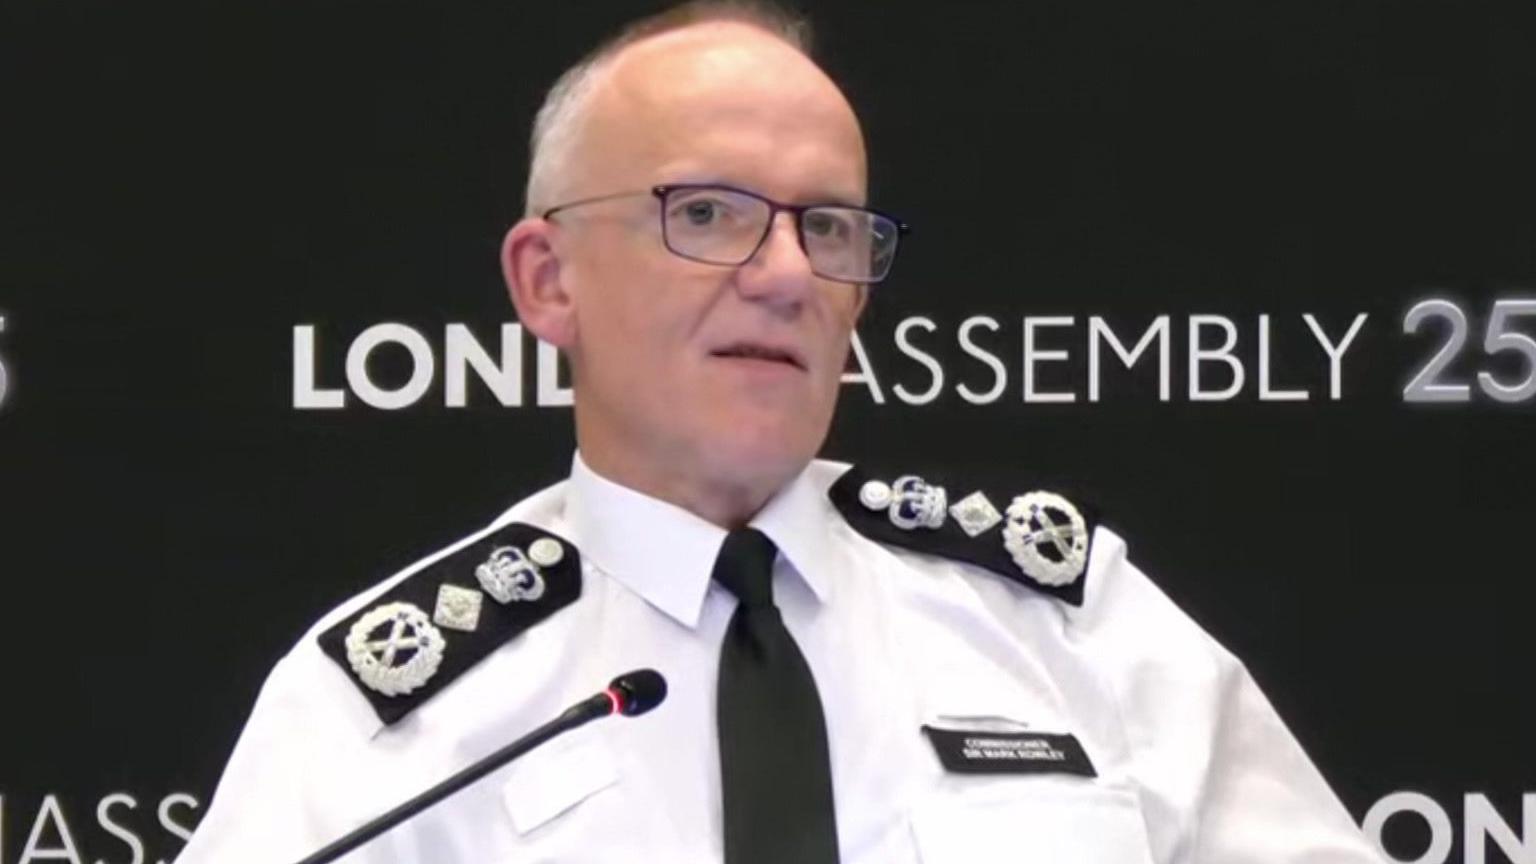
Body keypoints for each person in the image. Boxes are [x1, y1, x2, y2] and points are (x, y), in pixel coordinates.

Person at [178, 3, 1385, 862]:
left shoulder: (1061, 622)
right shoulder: (396, 705)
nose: (783, 274)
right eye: (707, 212)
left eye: (830, 229)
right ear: (549, 282)